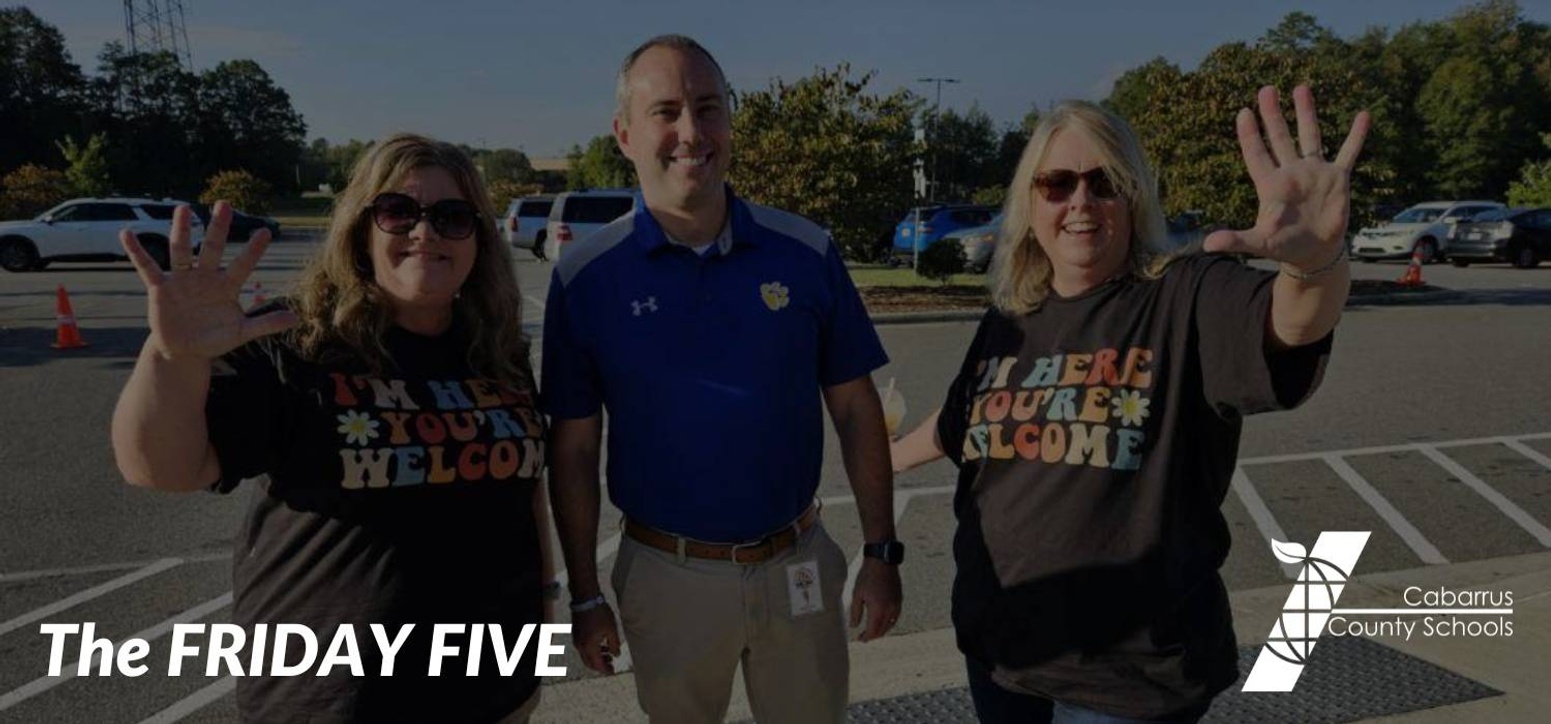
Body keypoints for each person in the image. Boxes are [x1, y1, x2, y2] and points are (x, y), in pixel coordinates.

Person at [890, 88, 1369, 723]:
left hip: (1128, 685)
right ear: (1029, 204)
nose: (1080, 202)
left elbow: (1290, 325)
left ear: (1133, 195)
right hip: (1002, 656)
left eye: (1104, 183)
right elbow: (964, 425)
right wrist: (882, 460)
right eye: (1056, 184)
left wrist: (1316, 264)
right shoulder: (1012, 316)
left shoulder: (1184, 294)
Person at [111, 134, 553, 723]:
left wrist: (547, 602)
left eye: (452, 217)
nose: (425, 232)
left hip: (494, 693)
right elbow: (159, 469)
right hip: (335, 702)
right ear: (361, 229)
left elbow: (526, 489)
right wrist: (172, 357)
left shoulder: (496, 352)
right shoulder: (298, 346)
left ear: (478, 239)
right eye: (399, 212)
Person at [542, 34, 902, 724]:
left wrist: (882, 553)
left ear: (729, 123)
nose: (690, 133)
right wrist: (585, 594)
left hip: (795, 560)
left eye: (708, 109)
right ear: (623, 133)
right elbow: (575, 450)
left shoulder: (806, 252)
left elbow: (857, 411)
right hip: (666, 574)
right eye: (665, 112)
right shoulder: (583, 278)